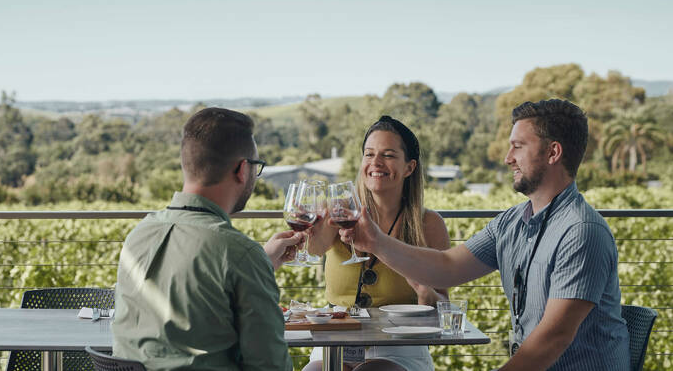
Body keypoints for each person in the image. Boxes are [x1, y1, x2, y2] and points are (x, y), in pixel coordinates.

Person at [340, 100, 630, 370]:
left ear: (553, 153)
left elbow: (552, 340)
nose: (507, 158)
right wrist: (376, 241)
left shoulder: (581, 232)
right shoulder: (512, 223)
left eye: (518, 147)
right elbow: (447, 267)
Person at [112, 107, 303, 371]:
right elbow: (270, 366)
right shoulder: (239, 254)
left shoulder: (138, 236)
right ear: (242, 169)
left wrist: (262, 264)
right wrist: (254, 263)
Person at [303, 116, 450, 371]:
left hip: (400, 341)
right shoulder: (341, 211)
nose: (376, 163)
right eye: (369, 154)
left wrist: (426, 295)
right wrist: (320, 224)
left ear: (409, 167)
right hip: (338, 335)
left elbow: (442, 304)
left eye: (389, 155)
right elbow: (313, 250)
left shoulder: (429, 224)